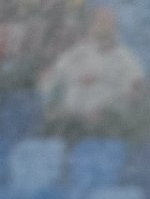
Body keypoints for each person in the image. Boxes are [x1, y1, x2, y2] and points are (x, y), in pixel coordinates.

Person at [38, 7, 144, 138]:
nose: (103, 27)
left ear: (115, 27)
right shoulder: (76, 53)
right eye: (99, 22)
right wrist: (53, 102)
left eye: (107, 23)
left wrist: (106, 110)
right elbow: (50, 79)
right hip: (69, 120)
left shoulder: (127, 61)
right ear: (91, 26)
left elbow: (134, 93)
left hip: (104, 123)